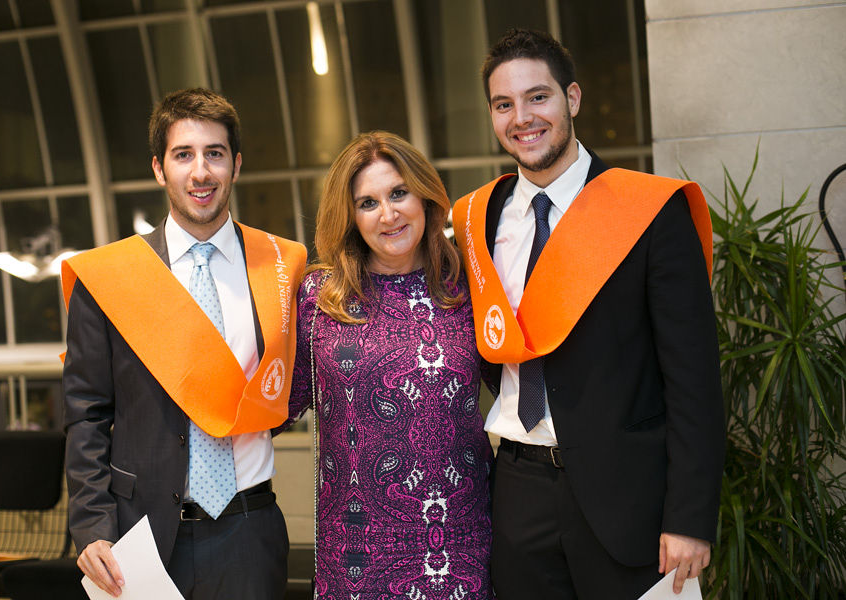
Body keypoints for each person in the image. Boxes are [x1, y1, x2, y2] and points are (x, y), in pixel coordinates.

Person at [451, 29, 725, 599]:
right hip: (519, 489)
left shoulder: (649, 211)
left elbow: (694, 381)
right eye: (505, 105)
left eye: (538, 97)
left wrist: (690, 518)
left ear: (572, 99)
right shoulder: (477, 219)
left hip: (632, 497)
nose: (522, 118)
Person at [62, 88, 306, 600]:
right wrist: (92, 526)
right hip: (138, 538)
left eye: (215, 153)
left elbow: (291, 389)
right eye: (183, 155)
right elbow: (86, 412)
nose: (201, 172)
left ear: (235, 166)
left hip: (248, 530)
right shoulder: (110, 278)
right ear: (159, 168)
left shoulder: (283, 267)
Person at [274, 131, 494, 599]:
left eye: (399, 193)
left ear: (425, 196)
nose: (389, 214)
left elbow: (522, 388)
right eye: (368, 202)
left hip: (463, 547)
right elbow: (274, 407)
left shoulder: (468, 290)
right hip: (356, 556)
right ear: (351, 217)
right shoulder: (320, 300)